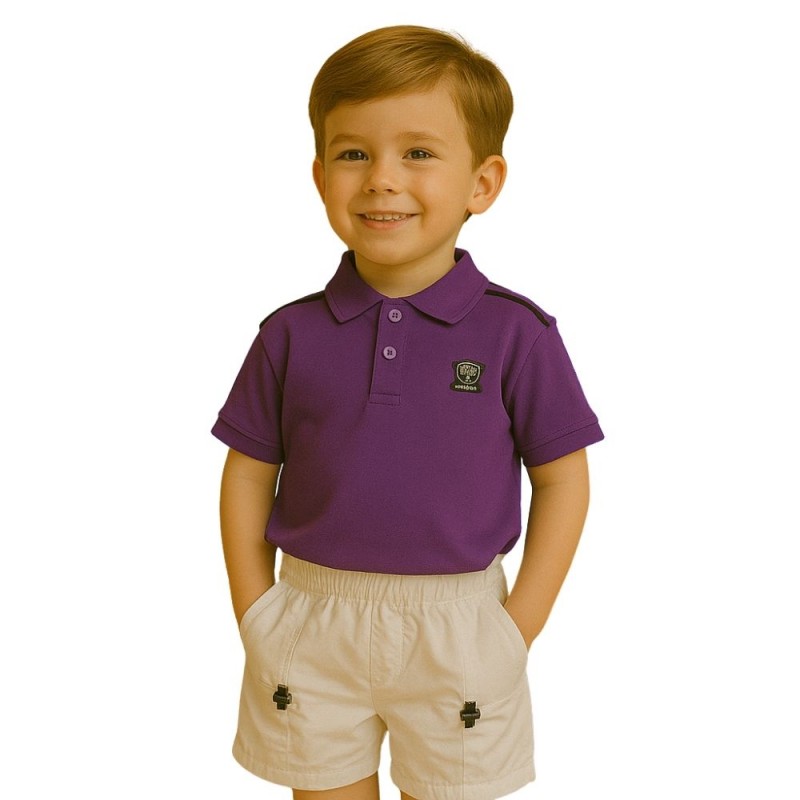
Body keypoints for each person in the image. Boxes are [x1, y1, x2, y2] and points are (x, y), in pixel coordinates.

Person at [211, 24, 604, 800]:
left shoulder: (517, 334)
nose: (382, 179)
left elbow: (564, 479)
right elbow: (248, 472)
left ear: (482, 183)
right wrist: (256, 612)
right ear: (321, 176)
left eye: (418, 152)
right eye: (354, 153)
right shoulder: (288, 334)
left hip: (461, 630)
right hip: (310, 620)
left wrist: (515, 628)